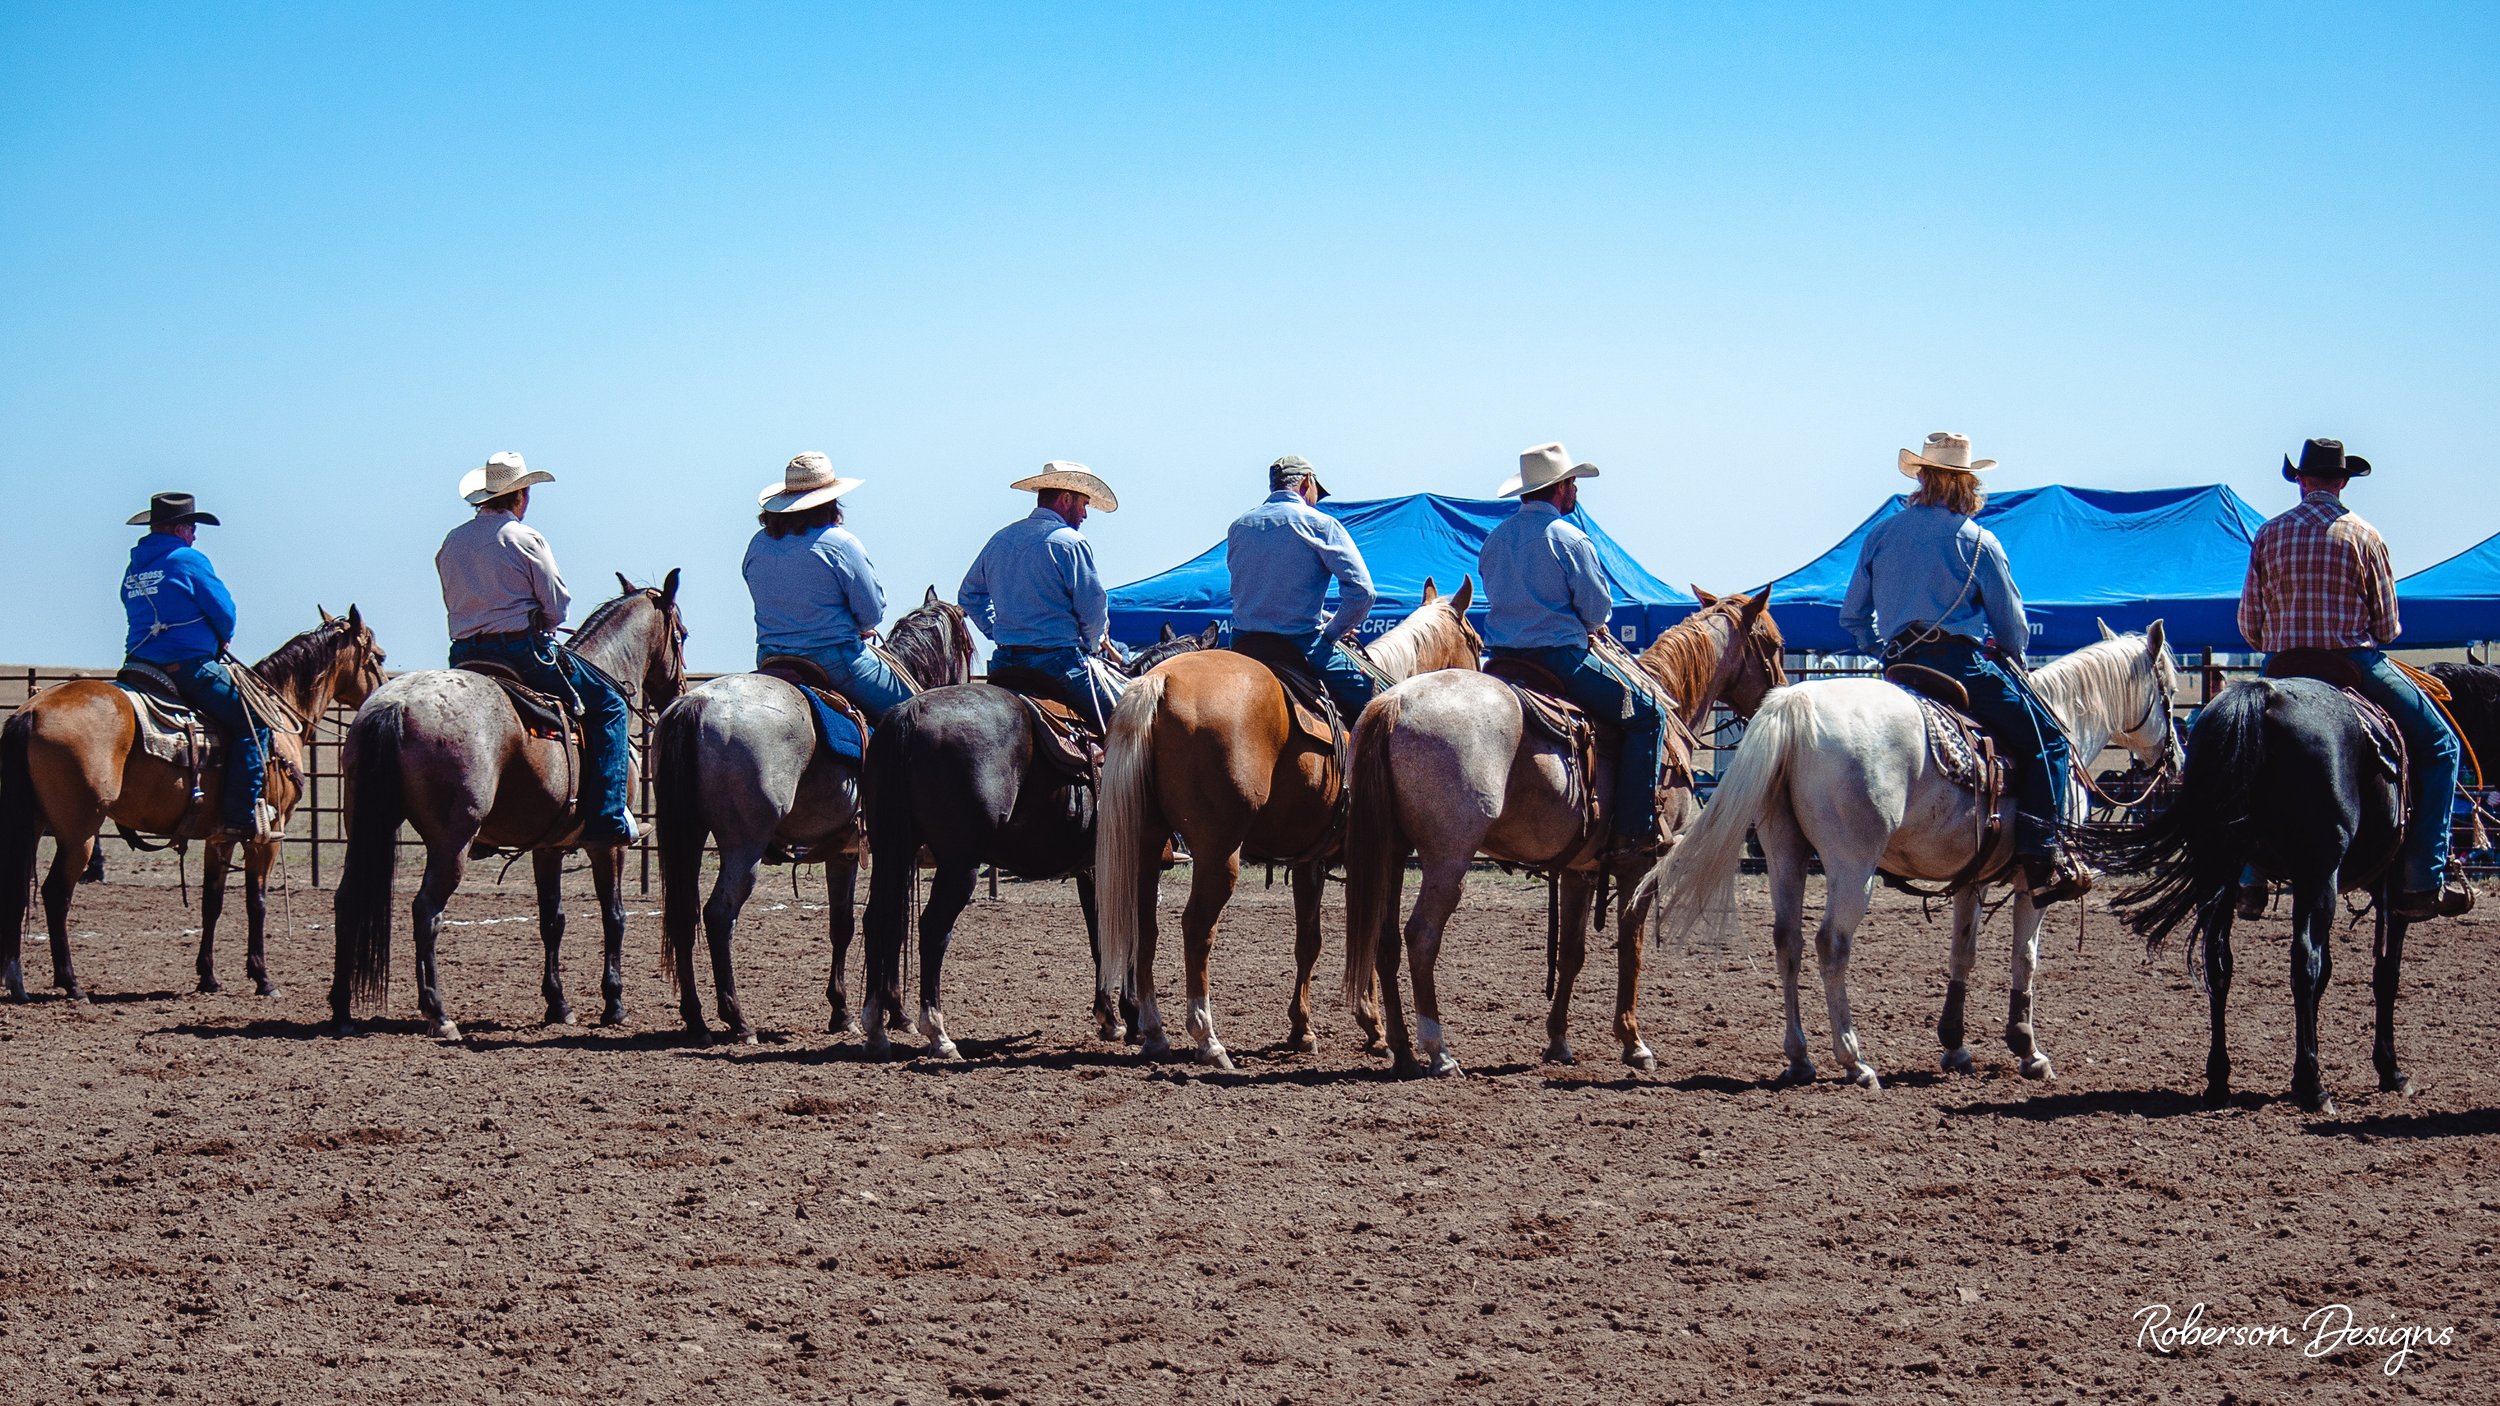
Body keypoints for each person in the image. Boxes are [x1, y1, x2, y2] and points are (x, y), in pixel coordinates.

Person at [1840, 432, 2089, 904]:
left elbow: (1851, 615)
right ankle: (2041, 857)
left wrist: (1880, 650)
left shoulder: (1881, 534)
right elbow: (2012, 628)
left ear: (1923, 478)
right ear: (1965, 483)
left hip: (1898, 666)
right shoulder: (1978, 542)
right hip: (1960, 666)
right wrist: (2012, 656)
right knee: (2049, 740)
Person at [2240, 437, 2471, 920]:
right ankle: (2424, 878)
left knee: (2234, 749)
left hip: (2281, 666)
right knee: (2440, 747)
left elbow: (2250, 625)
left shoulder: (2268, 533)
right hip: (2351, 666)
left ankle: (2246, 875)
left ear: (2301, 480)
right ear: (2343, 481)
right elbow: (2387, 628)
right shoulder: (2365, 535)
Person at [434, 452, 637, 845]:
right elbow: (558, 605)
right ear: (520, 496)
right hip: (521, 653)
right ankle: (608, 816)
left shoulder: (452, 541)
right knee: (610, 704)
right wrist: (542, 624)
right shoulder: (524, 537)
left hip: (464, 656)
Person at [1477, 442, 1663, 858]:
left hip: (1502, 663)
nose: (1576, 490)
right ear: (1560, 488)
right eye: (1573, 482)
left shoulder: (1496, 539)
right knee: (1649, 715)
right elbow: (1597, 610)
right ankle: (1636, 833)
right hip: (1560, 660)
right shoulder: (1571, 539)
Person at [119, 492, 270, 841]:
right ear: (179, 528)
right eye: (191, 527)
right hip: (186, 666)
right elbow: (223, 609)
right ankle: (239, 816)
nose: (195, 534)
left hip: (138, 668)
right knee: (254, 721)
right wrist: (221, 638)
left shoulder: (135, 565)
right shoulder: (188, 559)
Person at [743, 452, 909, 722]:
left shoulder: (758, 544)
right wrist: (858, 626)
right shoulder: (840, 543)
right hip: (836, 660)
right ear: (830, 501)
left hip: (771, 658)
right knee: (911, 713)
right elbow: (872, 612)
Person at [960, 462, 1121, 729]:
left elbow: (969, 596)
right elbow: (1093, 607)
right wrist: (1092, 644)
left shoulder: (1000, 539)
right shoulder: (1070, 542)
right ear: (1066, 498)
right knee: (1134, 718)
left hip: (1004, 665)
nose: (1085, 514)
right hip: (1059, 666)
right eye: (1084, 503)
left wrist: (997, 630)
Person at [1224, 455, 1377, 717]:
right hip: (1300, 645)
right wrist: (1331, 632)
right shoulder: (1319, 524)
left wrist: (1319, 615)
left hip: (1242, 643)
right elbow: (1363, 593)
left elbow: (1263, 594)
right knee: (1372, 700)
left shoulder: (1239, 526)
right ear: (1307, 481)